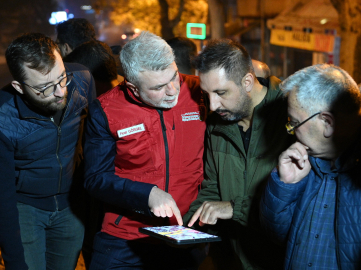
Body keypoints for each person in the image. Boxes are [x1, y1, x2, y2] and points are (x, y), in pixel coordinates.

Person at [84, 31, 206, 269]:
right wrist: (146, 194)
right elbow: (95, 179)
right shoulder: (105, 110)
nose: (172, 90)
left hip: (185, 233)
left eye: (174, 77)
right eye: (159, 87)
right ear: (133, 87)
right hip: (125, 237)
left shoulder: (200, 92)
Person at [0, 33, 96, 270]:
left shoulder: (82, 80)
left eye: (62, 78)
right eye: (44, 88)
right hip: (26, 211)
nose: (61, 92)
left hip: (72, 208)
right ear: (19, 87)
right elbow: (0, 196)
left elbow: (96, 142)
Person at [183, 39, 293, 269]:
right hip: (231, 257)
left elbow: (300, 203)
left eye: (221, 92)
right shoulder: (218, 121)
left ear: (247, 81)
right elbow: (212, 186)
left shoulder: (291, 116)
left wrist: (235, 208)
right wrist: (191, 226)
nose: (212, 105)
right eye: (207, 94)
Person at [260, 64, 361, 269]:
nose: (291, 131)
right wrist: (284, 186)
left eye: (294, 123)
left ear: (327, 123)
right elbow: (277, 236)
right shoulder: (304, 162)